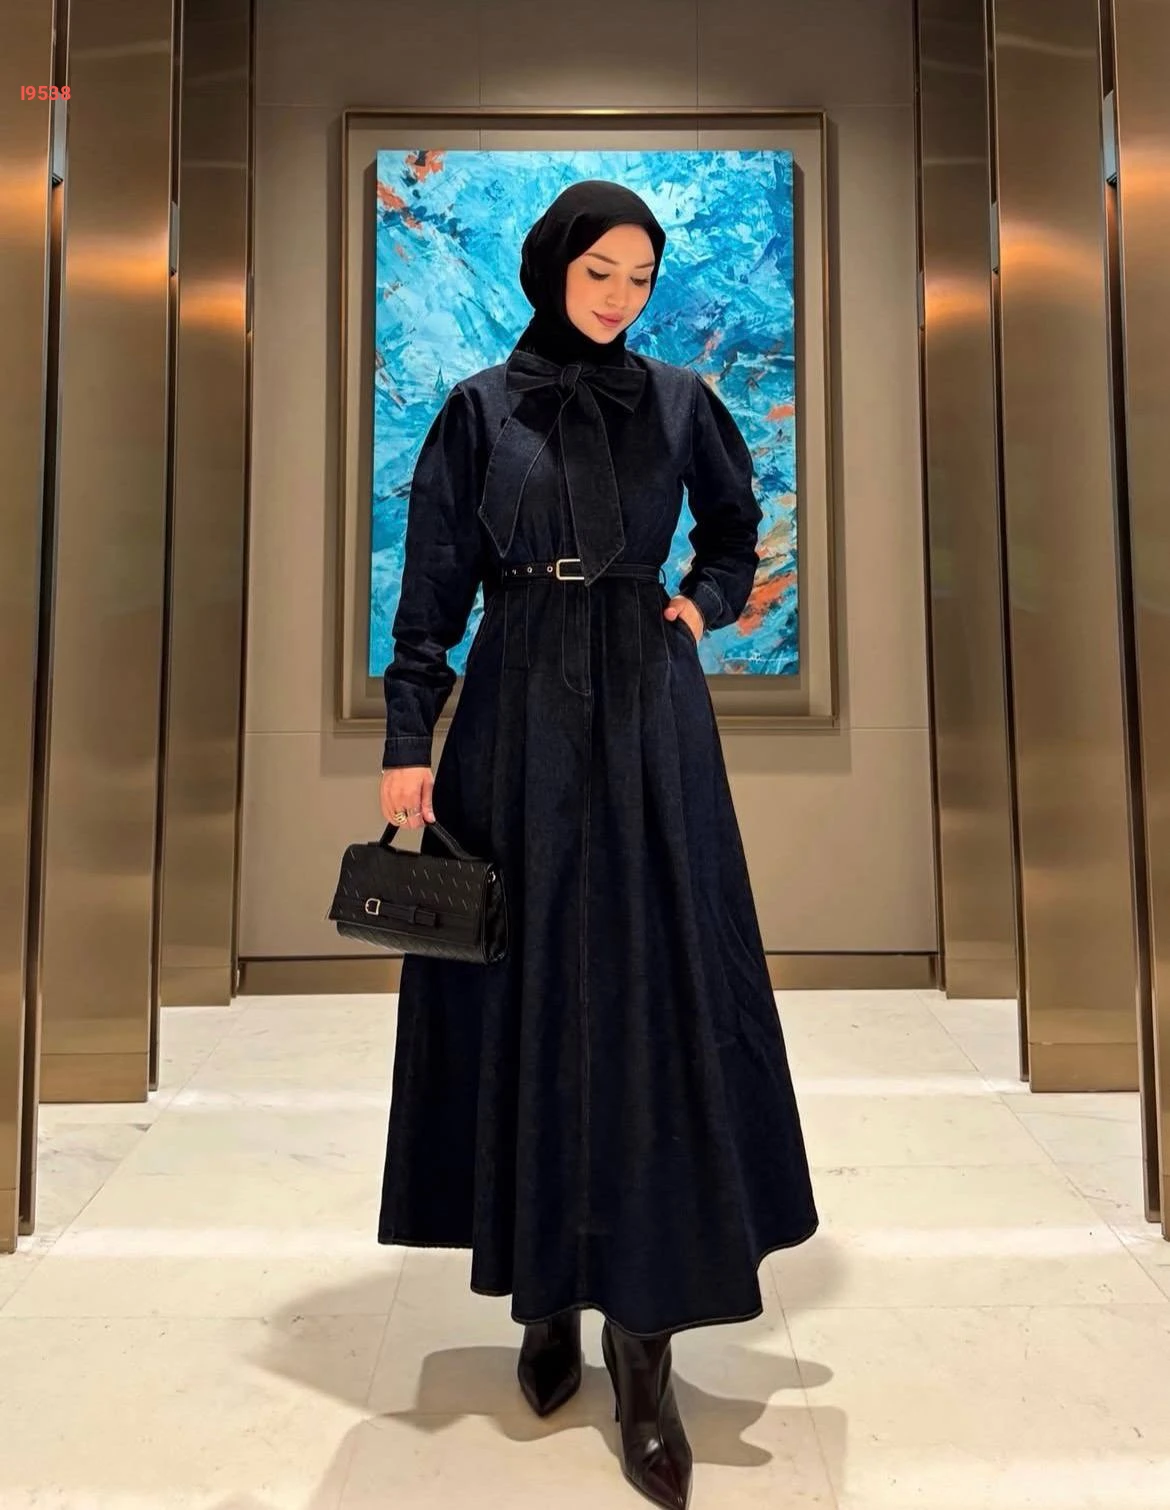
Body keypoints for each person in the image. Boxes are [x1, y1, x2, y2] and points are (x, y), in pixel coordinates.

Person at [377, 179, 817, 1510]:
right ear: (551, 269)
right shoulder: (478, 409)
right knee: (521, 994)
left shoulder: (681, 403)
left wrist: (698, 606)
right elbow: (432, 584)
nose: (620, 296)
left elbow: (735, 531)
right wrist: (409, 736)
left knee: (650, 1002)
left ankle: (643, 1343)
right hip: (512, 714)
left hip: (644, 716)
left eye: (639, 275)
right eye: (599, 272)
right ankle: (544, 1291)